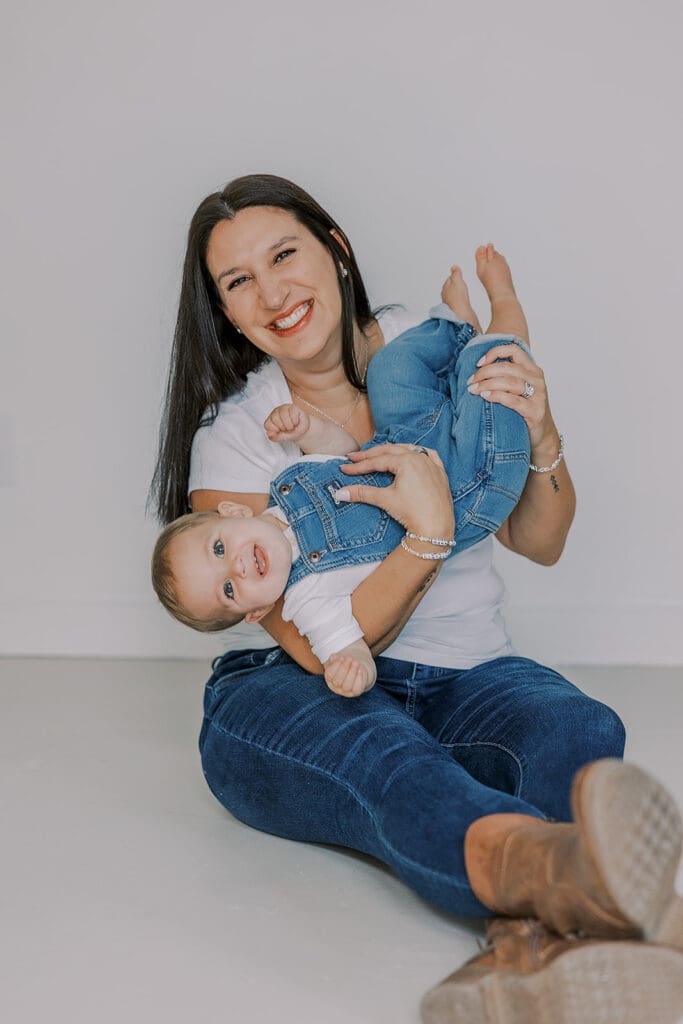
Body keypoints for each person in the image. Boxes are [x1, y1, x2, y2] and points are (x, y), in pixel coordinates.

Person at [150, 174, 683, 1022]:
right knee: (384, 754)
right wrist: (427, 534)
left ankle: (517, 957)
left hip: (469, 672)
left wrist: (538, 432)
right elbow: (313, 645)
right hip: (313, 686)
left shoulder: (427, 346)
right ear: (225, 312)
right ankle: (583, 902)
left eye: (283, 254)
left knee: (580, 732)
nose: (272, 293)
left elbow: (539, 541)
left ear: (335, 247)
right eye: (238, 282)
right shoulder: (235, 441)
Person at [152, 252, 534, 698]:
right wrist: (352, 667)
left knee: (390, 369)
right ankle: (502, 302)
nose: (236, 566)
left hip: (408, 438)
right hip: (469, 488)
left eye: (219, 548)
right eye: (230, 590)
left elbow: (347, 456)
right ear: (255, 613)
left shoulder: (287, 489)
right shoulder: (306, 600)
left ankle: (456, 326)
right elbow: (344, 647)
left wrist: (308, 429)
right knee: (493, 373)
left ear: (235, 512)